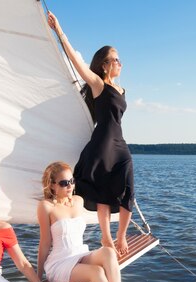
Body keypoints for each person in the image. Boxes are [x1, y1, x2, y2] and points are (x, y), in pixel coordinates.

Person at [47, 11, 134, 256]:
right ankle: (107, 239)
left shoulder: (122, 89)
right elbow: (76, 61)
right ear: (104, 65)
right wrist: (59, 31)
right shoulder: (99, 84)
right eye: (115, 59)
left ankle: (121, 236)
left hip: (119, 143)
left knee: (128, 189)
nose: (120, 63)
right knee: (105, 192)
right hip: (103, 143)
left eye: (120, 59)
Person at [37, 162, 156, 282]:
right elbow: (44, 244)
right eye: (64, 183)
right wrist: (38, 280)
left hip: (79, 255)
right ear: (52, 185)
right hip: (59, 264)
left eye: (72, 181)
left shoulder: (78, 200)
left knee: (108, 251)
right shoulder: (46, 207)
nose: (70, 186)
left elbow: (102, 190)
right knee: (96, 271)